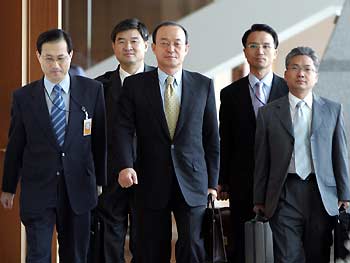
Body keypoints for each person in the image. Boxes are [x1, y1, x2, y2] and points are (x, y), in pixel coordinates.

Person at [115, 21, 220, 263]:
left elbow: (211, 137)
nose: (170, 48)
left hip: (193, 182)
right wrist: (125, 164)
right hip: (149, 179)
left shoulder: (203, 85)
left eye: (177, 43)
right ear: (153, 48)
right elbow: (122, 129)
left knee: (193, 245)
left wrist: (213, 183)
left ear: (186, 49)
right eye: (164, 43)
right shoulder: (135, 85)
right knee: (151, 248)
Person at [0, 29, 107, 262]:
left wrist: (100, 181)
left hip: (79, 187)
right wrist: (8, 187)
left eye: (61, 58)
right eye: (48, 58)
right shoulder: (23, 97)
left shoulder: (92, 91)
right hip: (38, 189)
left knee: (75, 254)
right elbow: (16, 145)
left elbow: (99, 140)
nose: (55, 65)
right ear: (38, 56)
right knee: (38, 253)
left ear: (70, 55)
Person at [253, 46, 350, 262]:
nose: (301, 73)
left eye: (307, 69)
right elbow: (262, 159)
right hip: (284, 193)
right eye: (295, 68)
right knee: (287, 256)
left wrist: (345, 194)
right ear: (286, 74)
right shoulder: (268, 113)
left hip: (321, 194)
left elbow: (340, 155)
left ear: (316, 76)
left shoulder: (332, 110)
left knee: (318, 254)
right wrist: (259, 198)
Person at [217, 23, 288, 262]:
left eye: (266, 46)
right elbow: (224, 138)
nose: (260, 51)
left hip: (283, 181)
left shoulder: (289, 90)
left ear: (275, 52)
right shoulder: (229, 94)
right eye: (253, 45)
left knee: (281, 244)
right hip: (242, 181)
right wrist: (222, 179)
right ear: (245, 52)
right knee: (242, 242)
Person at [95, 18, 154, 263]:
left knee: (146, 238)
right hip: (110, 176)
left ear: (146, 46)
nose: (128, 46)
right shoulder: (99, 86)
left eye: (134, 41)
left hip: (149, 173)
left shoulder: (161, 81)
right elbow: (95, 133)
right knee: (109, 237)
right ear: (113, 47)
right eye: (121, 41)